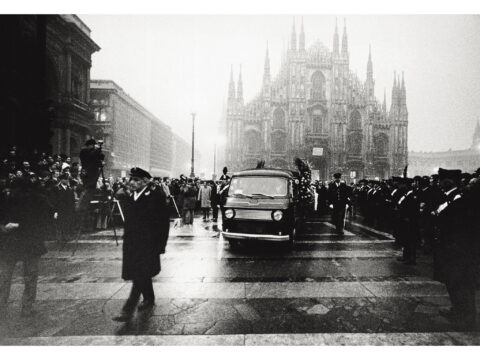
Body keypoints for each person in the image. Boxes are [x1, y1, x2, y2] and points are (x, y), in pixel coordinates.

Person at [113, 167, 169, 322]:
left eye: (136, 180)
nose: (133, 182)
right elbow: (117, 196)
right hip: (132, 242)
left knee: (139, 274)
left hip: (148, 243)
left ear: (145, 181)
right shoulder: (131, 195)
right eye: (131, 179)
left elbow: (163, 222)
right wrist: (124, 189)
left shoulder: (155, 196)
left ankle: (127, 310)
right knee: (142, 273)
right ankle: (149, 298)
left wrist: (161, 245)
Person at [0, 178, 53, 318]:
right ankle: (27, 307)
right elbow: (46, 218)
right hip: (32, 242)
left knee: (5, 275)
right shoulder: (39, 199)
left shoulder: (8, 197)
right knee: (30, 275)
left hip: (11, 240)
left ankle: (1, 305)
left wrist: (5, 226)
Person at [52, 173, 76, 243]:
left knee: (67, 223)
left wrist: (72, 209)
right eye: (65, 179)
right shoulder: (56, 188)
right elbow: (54, 200)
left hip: (68, 210)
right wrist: (55, 211)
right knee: (60, 224)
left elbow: (72, 201)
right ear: (61, 180)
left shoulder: (70, 189)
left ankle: (66, 236)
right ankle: (59, 238)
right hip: (60, 210)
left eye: (67, 179)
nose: (67, 181)